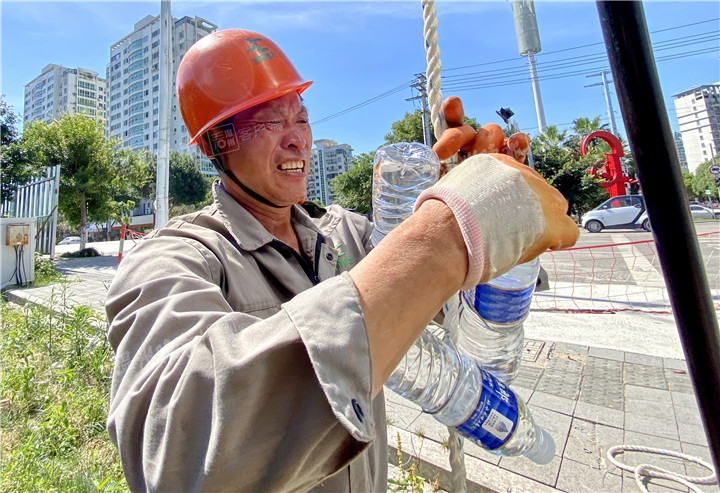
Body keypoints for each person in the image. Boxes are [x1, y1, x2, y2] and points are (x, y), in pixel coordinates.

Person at [105, 29, 579, 492]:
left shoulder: (343, 233)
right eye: (270, 121)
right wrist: (443, 237)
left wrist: (495, 227)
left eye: (301, 118)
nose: (297, 140)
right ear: (214, 145)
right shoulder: (176, 259)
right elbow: (175, 461)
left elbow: (458, 315)